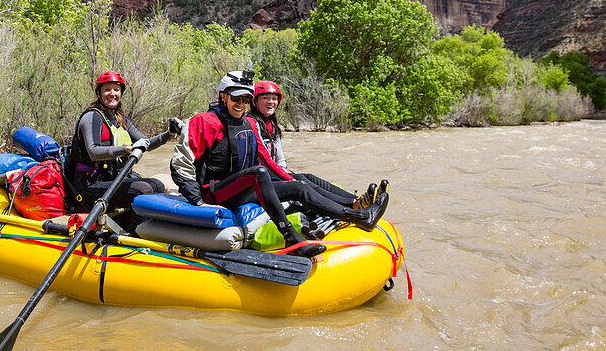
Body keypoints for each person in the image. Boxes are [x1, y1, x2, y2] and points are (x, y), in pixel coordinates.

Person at [170, 70, 388, 259]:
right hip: (213, 192)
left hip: (239, 188)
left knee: (299, 187)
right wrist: (198, 202)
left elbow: (263, 157)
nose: (241, 104)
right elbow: (180, 164)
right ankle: (291, 238)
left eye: (246, 99)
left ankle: (358, 215)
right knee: (259, 173)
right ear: (223, 96)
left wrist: (291, 179)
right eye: (236, 98)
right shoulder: (205, 122)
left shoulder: (244, 122)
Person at [251, 80, 388, 209]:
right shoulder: (251, 123)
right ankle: (352, 204)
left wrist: (283, 170)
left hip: (275, 173)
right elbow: (264, 159)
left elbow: (280, 158)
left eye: (274, 98)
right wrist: (287, 177)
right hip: (263, 179)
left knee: (309, 177)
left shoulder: (272, 126)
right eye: (265, 98)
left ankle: (358, 199)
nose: (271, 102)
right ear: (255, 101)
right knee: (301, 182)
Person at [65, 71, 184, 217]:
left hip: (110, 179)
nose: (112, 93)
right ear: (99, 93)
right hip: (88, 184)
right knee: (144, 189)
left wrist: (170, 133)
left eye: (116, 90)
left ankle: (139, 225)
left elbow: (146, 143)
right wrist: (127, 149)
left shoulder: (120, 119)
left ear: (121, 93)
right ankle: (135, 233)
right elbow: (93, 152)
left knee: (157, 185)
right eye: (107, 89)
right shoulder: (92, 117)